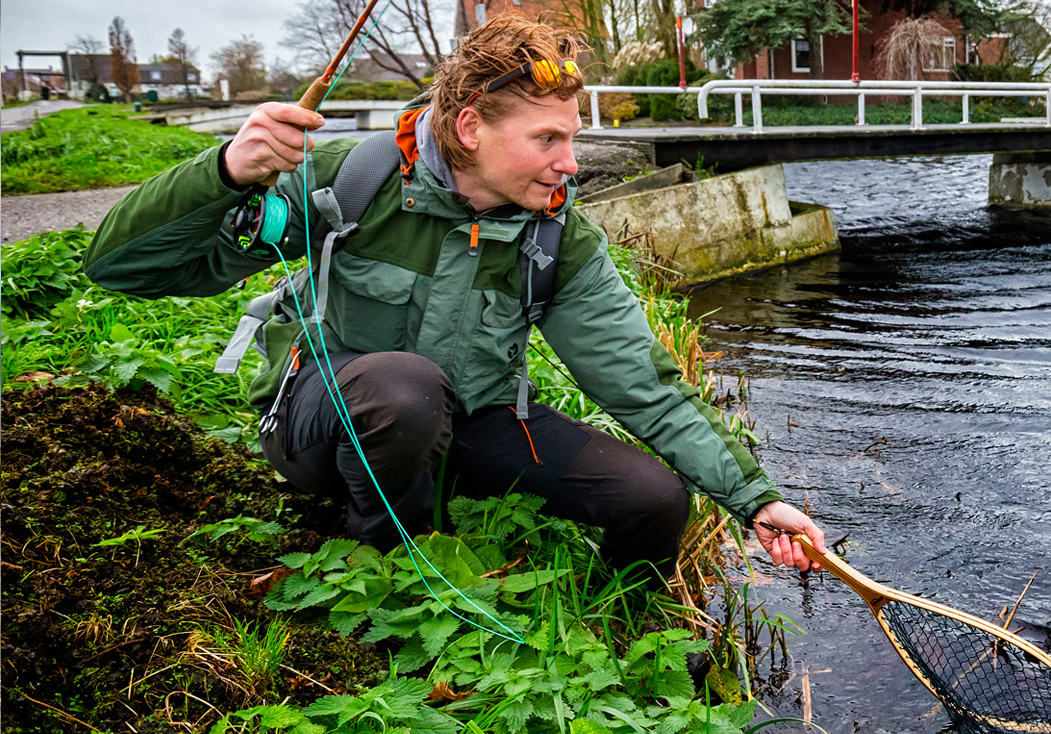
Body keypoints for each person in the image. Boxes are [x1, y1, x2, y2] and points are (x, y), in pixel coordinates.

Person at [82, 16, 825, 581]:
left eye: (572, 137)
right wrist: (224, 172)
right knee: (404, 389)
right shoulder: (353, 181)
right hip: (327, 423)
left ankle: (638, 640)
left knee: (652, 497)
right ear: (470, 126)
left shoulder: (557, 236)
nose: (571, 164)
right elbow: (121, 268)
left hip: (465, 425)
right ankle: (380, 565)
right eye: (547, 141)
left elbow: (644, 387)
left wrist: (755, 499)